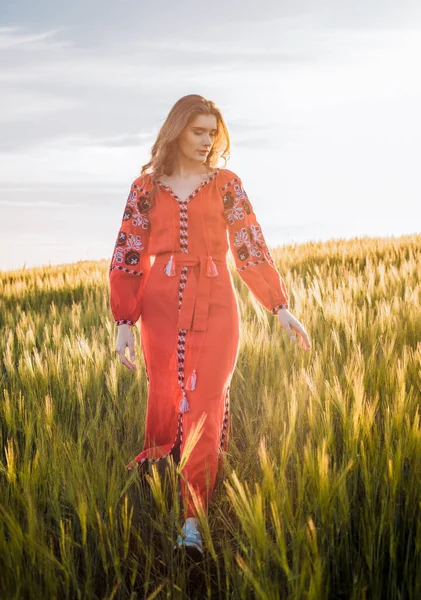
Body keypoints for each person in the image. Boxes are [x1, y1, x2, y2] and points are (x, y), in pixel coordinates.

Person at [109, 94, 312, 557]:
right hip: (159, 307)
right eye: (198, 131)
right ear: (177, 131)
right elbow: (128, 252)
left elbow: (249, 244)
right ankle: (165, 465)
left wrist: (279, 307)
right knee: (167, 392)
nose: (207, 141)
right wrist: (124, 319)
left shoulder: (227, 184)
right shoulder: (145, 187)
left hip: (218, 302)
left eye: (212, 132)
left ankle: (191, 523)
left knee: (205, 400)